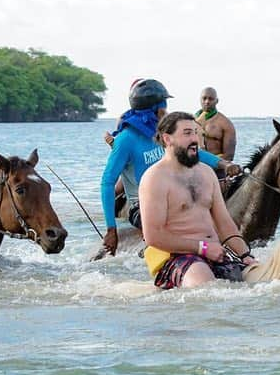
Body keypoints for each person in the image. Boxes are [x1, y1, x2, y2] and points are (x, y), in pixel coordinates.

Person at [99, 78, 239, 256]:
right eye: (164, 106)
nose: (166, 111)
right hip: (142, 205)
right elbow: (107, 182)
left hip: (172, 196)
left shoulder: (163, 133)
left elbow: (193, 151)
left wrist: (224, 164)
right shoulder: (125, 140)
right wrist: (111, 229)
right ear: (155, 109)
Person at [139, 112, 258, 289]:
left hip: (216, 253)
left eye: (196, 132)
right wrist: (202, 248)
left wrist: (245, 255)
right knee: (206, 287)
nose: (195, 139)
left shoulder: (207, 173)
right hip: (178, 257)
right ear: (167, 139)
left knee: (264, 278)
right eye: (187, 133)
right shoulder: (155, 178)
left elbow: (224, 224)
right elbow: (153, 236)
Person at [194, 87, 237, 162]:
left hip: (216, 167)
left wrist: (210, 163)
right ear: (200, 99)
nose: (207, 102)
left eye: (211, 99)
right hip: (193, 166)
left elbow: (229, 155)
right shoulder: (191, 121)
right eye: (204, 98)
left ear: (216, 101)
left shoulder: (225, 124)